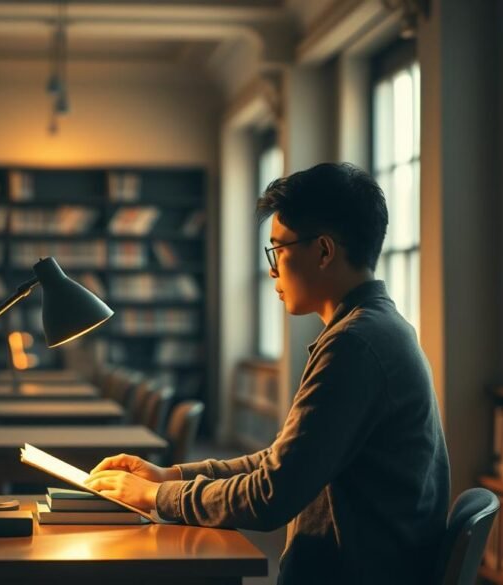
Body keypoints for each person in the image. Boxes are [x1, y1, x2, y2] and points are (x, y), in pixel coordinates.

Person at [85, 162, 451, 584]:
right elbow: (281, 464)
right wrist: (172, 476)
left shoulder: (354, 345)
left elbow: (271, 497)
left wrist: (157, 497)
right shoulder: (378, 328)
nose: (273, 269)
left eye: (279, 249)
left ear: (324, 251)